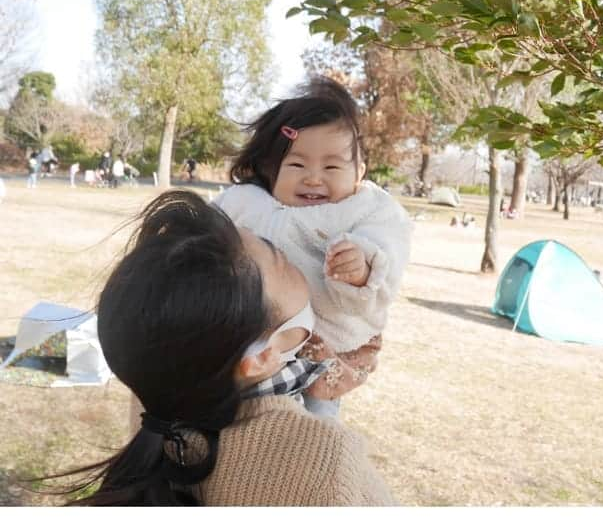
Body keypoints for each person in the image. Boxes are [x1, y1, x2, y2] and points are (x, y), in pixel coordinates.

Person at [43, 191, 393, 506]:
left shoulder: (155, 398)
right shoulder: (320, 461)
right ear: (260, 357)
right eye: (283, 260)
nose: (301, 266)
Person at [213, 77, 412, 419]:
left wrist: (362, 266)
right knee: (236, 413)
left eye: (331, 166)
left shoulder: (367, 208)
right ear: (272, 170)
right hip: (256, 338)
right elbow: (202, 229)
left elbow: (388, 244)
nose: (314, 178)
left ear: (359, 172)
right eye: (297, 165)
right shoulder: (246, 202)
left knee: (316, 421)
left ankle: (317, 457)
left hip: (325, 350)